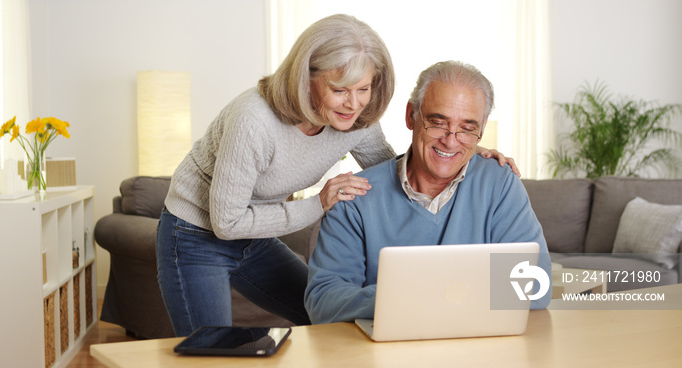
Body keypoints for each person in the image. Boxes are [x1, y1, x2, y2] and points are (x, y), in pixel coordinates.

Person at [156, 15, 517, 337]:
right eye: (339, 90)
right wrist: (319, 203)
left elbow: (396, 171)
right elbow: (227, 223)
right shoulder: (253, 121)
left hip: (256, 231)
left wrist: (460, 151)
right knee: (207, 351)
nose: (354, 103)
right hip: (196, 233)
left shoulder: (356, 120)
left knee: (323, 317)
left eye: (364, 89)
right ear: (306, 77)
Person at [304, 60, 552, 324]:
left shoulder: (500, 183)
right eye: (437, 122)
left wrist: (420, 296)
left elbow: (534, 285)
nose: (450, 140)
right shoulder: (355, 196)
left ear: (482, 127)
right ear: (411, 115)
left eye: (467, 128)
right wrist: (417, 297)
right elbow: (324, 301)